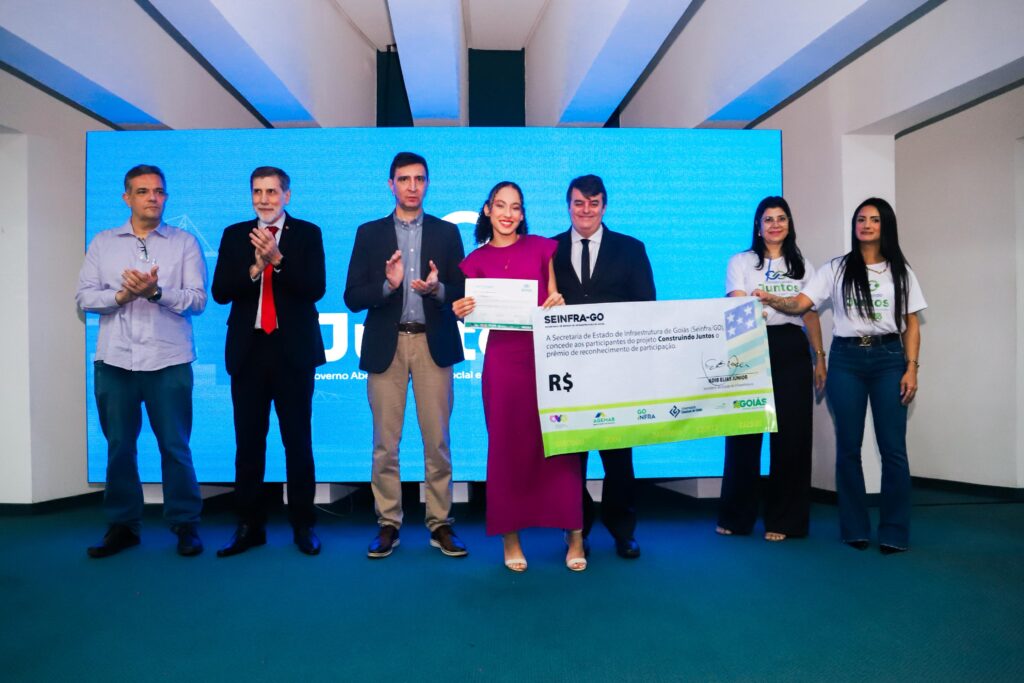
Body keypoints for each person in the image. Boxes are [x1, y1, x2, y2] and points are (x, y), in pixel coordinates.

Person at [754, 197, 926, 554]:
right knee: (848, 447)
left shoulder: (900, 271)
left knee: (893, 449)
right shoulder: (835, 268)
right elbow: (800, 305)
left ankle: (894, 532)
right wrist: (771, 299)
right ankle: (854, 528)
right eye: (861, 219)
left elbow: (911, 324)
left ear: (885, 226)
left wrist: (911, 367)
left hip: (889, 359)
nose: (866, 225)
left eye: (874, 220)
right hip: (847, 360)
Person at [76, 164, 207, 558]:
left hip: (169, 361)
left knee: (175, 446)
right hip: (115, 363)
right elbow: (84, 298)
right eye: (144, 191)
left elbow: (197, 300)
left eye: (159, 191)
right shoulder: (103, 242)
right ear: (127, 198)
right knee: (119, 446)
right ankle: (123, 526)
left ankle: (185, 524)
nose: (154, 198)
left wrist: (155, 293)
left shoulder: (183, 242)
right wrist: (121, 296)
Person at [452, 181, 584, 572]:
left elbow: (554, 300)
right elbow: (468, 310)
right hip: (503, 365)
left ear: (523, 213)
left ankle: (574, 534)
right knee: (506, 449)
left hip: (547, 358)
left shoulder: (543, 248)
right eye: (501, 206)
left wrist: (557, 303)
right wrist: (459, 310)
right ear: (488, 210)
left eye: (515, 207)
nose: (508, 214)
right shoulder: (474, 262)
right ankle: (510, 539)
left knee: (562, 445)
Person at [344, 152, 468, 559]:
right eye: (404, 179)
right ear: (391, 185)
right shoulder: (369, 233)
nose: (412, 187)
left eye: (419, 179)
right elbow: (352, 296)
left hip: (434, 344)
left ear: (427, 184)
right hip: (387, 346)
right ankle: (388, 523)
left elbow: (464, 291)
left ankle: (440, 522)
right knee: (385, 443)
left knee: (438, 441)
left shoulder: (447, 233)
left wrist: (438, 289)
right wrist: (387, 285)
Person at [211, 166, 327, 557]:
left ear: (286, 196)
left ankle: (303, 525)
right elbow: (220, 292)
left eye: (272, 192)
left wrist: (278, 260)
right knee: (248, 443)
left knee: (298, 443)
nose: (264, 199)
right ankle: (249, 526)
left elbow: (315, 288)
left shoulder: (308, 233)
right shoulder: (234, 234)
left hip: (293, 353)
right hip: (248, 352)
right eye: (258, 192)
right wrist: (253, 269)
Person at [551, 174, 655, 559]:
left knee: (619, 458)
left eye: (593, 203)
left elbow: (646, 308)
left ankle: (623, 530)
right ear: (568, 206)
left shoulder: (631, 249)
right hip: (567, 373)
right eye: (579, 203)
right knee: (571, 459)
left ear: (604, 206)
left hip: (617, 373)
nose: (586, 210)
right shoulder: (550, 250)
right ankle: (577, 529)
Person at [716, 197, 826, 542]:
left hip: (790, 347)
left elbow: (809, 314)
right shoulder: (741, 261)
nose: (775, 224)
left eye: (781, 218)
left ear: (789, 224)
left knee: (791, 436)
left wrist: (819, 356)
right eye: (768, 219)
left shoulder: (803, 266)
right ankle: (736, 517)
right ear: (758, 225)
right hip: (749, 345)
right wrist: (759, 307)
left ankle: (785, 520)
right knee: (744, 433)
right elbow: (737, 301)